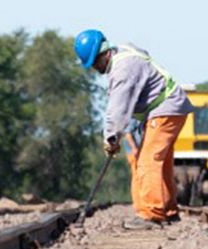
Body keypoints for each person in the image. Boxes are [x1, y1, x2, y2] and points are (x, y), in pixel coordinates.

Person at [74, 29, 194, 229]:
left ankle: (151, 214)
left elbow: (117, 109)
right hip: (169, 107)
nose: (95, 68)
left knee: (147, 161)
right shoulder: (124, 53)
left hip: (164, 108)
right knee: (161, 163)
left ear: (104, 54)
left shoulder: (122, 69)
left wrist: (110, 138)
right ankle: (169, 211)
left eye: (95, 63)